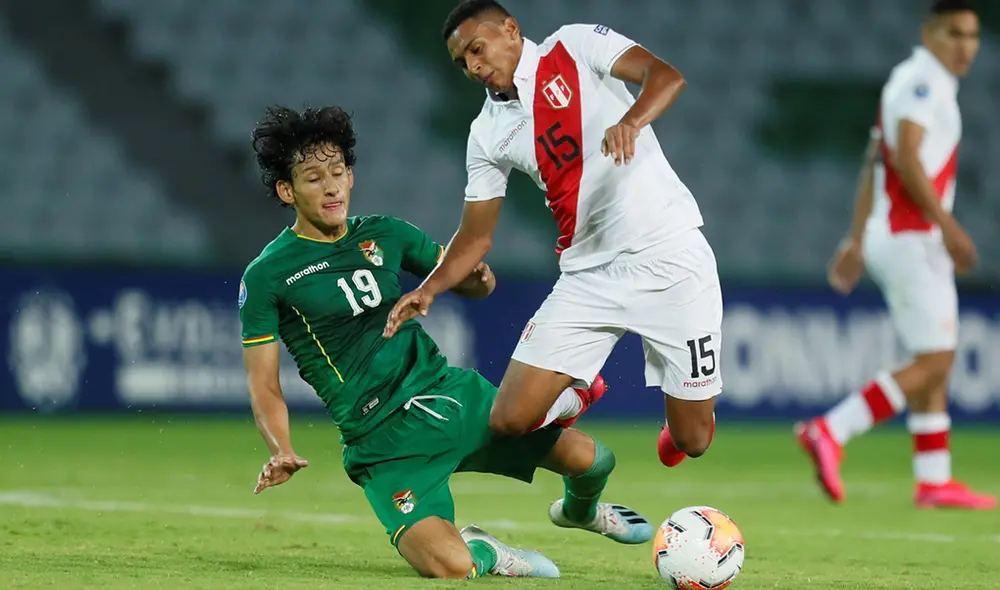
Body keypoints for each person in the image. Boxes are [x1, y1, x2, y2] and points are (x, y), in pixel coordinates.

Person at [240, 105, 655, 580]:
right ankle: (487, 550)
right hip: (383, 440)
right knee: (452, 567)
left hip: (448, 394)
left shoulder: (386, 234)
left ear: (351, 175)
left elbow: (474, 283)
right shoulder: (267, 274)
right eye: (313, 178)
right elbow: (264, 385)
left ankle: (580, 512)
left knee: (594, 460)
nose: (331, 186)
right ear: (286, 190)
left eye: (338, 172)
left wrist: (475, 277)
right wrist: (280, 447)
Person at [383, 0, 722, 468]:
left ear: (510, 29)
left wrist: (630, 121)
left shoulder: (575, 45)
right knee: (509, 419)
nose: (475, 67)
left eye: (478, 50)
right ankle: (582, 393)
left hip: (671, 256)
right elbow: (476, 236)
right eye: (463, 63)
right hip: (589, 275)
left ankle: (677, 428)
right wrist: (431, 288)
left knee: (694, 440)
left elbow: (665, 76)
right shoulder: (487, 132)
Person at [798, 0, 995, 510]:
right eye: (954, 33)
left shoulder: (909, 80)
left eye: (972, 35)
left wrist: (857, 238)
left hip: (900, 235)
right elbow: (905, 157)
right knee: (937, 360)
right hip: (914, 236)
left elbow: (874, 160)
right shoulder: (925, 83)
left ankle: (934, 480)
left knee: (932, 360)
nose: (965, 45)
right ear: (929, 33)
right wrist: (950, 226)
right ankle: (830, 429)